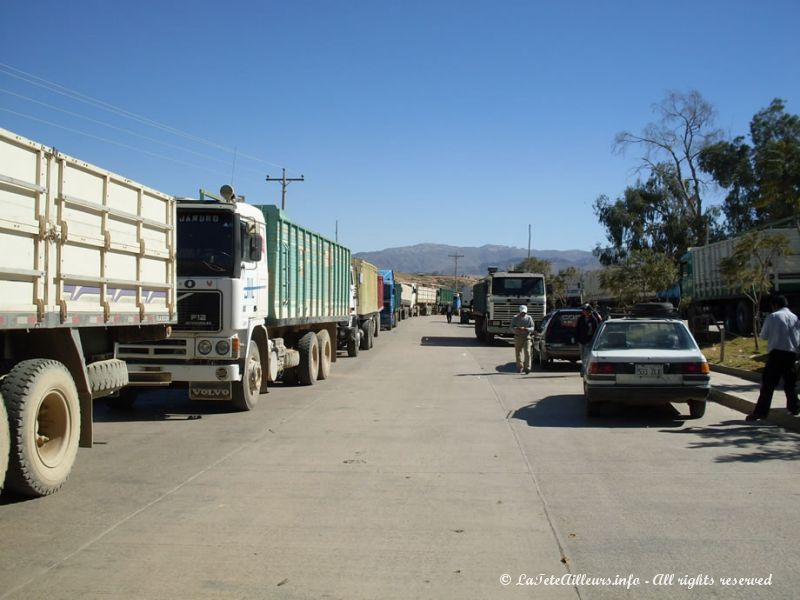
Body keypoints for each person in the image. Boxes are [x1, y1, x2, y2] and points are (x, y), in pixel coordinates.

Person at [746, 295, 800, 421]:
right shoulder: (795, 318)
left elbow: (764, 335)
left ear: (775, 305)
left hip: (776, 355)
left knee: (768, 385)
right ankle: (794, 408)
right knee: (790, 384)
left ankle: (760, 412)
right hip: (791, 355)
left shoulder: (773, 317)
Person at [575, 303, 601, 375]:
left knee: (586, 356)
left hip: (589, 341)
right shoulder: (580, 319)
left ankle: (584, 370)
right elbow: (577, 330)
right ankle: (584, 368)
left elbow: (595, 331)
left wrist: (594, 341)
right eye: (584, 310)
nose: (584, 312)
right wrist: (576, 339)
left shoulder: (593, 320)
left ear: (589, 311)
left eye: (586, 310)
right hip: (581, 340)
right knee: (582, 355)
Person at [511, 305, 535, 373]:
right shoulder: (515, 318)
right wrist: (517, 329)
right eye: (522, 312)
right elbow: (511, 327)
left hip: (527, 337)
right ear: (520, 312)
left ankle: (527, 367)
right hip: (518, 337)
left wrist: (527, 329)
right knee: (518, 352)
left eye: (524, 312)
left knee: (527, 351)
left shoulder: (529, 318)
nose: (523, 314)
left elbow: (532, 328)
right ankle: (520, 367)